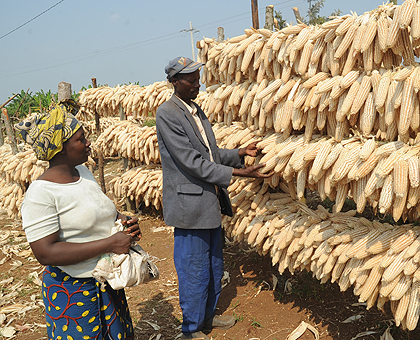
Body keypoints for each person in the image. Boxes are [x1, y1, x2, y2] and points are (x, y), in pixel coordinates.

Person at [156, 57, 274, 340]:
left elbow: (210, 153)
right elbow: (191, 161)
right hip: (189, 204)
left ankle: (207, 317)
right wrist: (240, 172)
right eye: (191, 80)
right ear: (174, 82)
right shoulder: (168, 114)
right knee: (193, 267)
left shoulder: (195, 110)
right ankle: (191, 329)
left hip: (208, 201)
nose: (198, 84)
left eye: (198, 78)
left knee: (212, 264)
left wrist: (238, 152)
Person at [15, 99, 142, 340]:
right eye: (80, 139)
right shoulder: (41, 193)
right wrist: (110, 244)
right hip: (73, 291)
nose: (88, 143)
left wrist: (122, 220)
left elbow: (98, 211)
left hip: (105, 282)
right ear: (60, 147)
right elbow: (45, 253)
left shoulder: (83, 172)